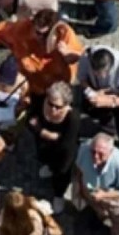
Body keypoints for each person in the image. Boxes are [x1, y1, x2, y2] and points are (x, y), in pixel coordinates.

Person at [0, 9, 83, 103]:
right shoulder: (23, 30)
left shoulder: (65, 35)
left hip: (55, 87)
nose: (41, 38)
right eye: (38, 33)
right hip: (30, 85)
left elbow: (83, 58)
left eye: (46, 34)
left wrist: (67, 54)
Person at [27, 81, 80, 213]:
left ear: (66, 105)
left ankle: (58, 196)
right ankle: (49, 167)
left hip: (62, 153)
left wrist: (40, 129)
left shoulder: (72, 118)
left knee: (61, 175)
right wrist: (47, 134)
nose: (53, 109)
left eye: (58, 106)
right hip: (44, 146)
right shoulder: (40, 103)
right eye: (50, 104)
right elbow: (30, 120)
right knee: (44, 160)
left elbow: (67, 144)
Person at [73, 133, 119, 235]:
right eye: (93, 151)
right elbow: (79, 169)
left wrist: (104, 195)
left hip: (113, 197)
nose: (95, 157)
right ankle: (99, 217)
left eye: (101, 153)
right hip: (90, 192)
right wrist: (80, 187)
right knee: (96, 209)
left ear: (111, 152)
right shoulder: (84, 149)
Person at [77, 45, 119, 136]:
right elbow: (82, 80)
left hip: (118, 98)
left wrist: (109, 102)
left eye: (103, 73)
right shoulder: (85, 58)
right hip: (95, 91)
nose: (101, 77)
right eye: (95, 73)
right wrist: (92, 93)